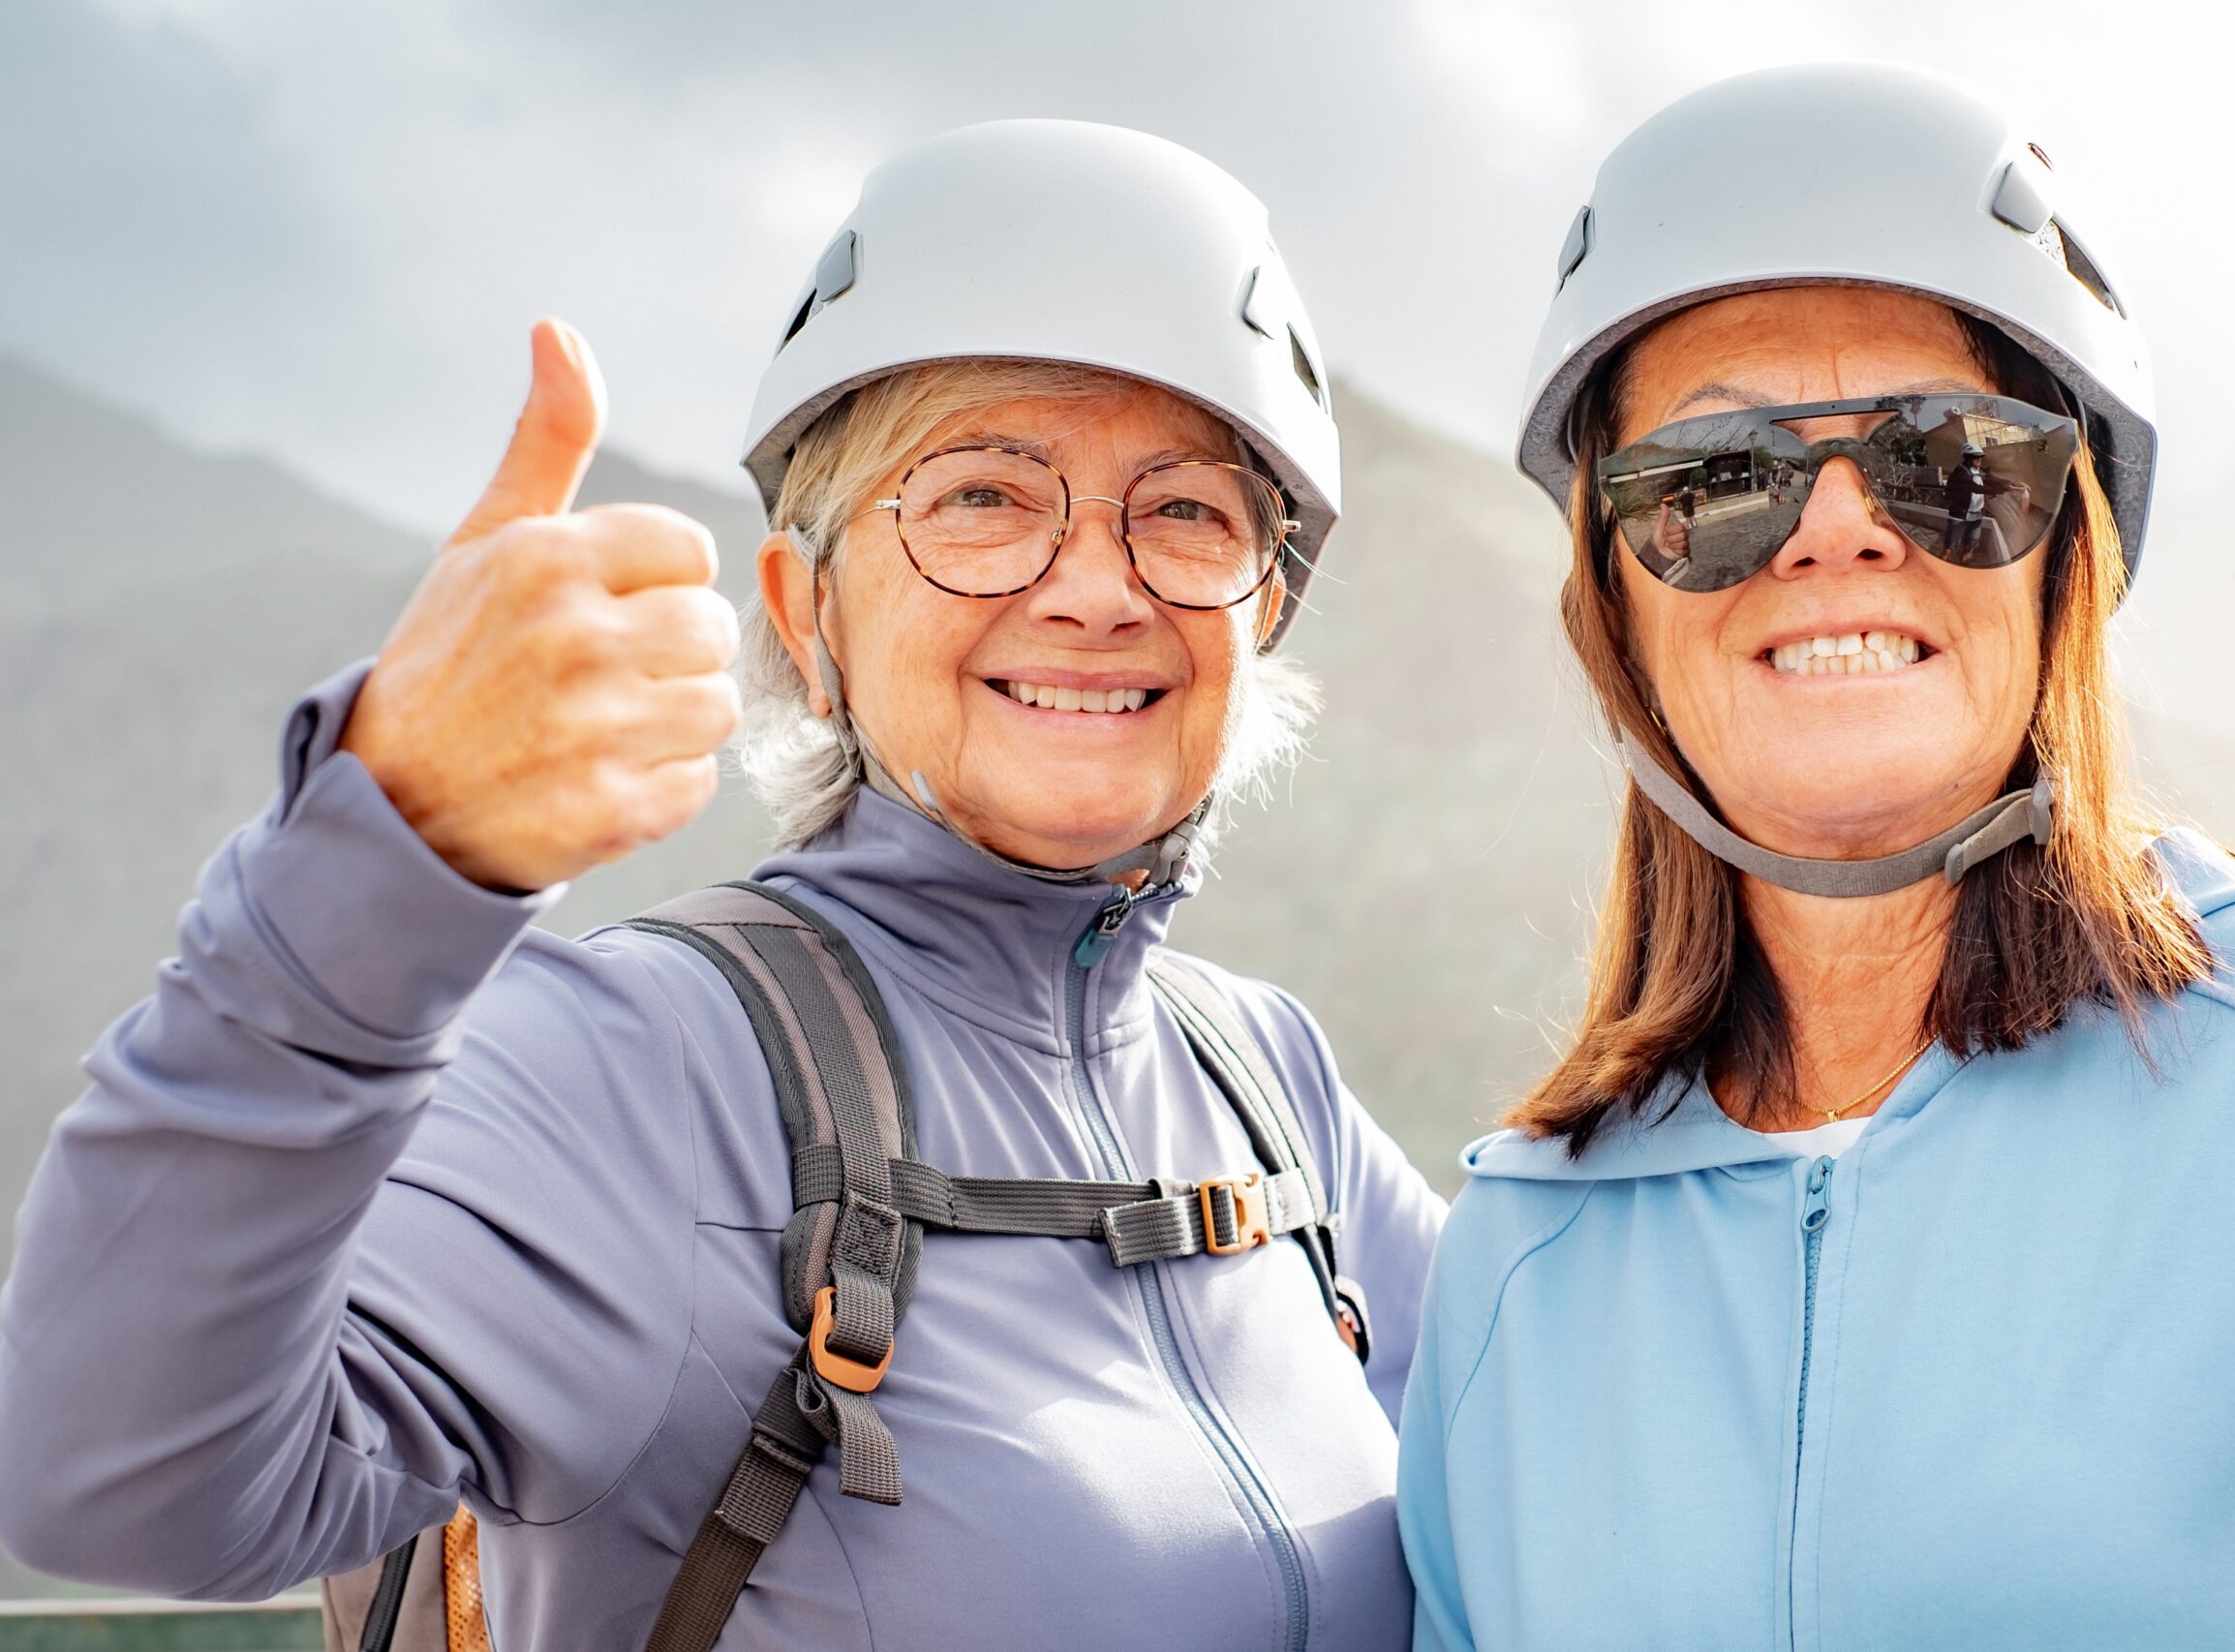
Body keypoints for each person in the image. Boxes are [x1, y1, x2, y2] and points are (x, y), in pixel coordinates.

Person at [0, 120, 1443, 1651]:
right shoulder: (638, 1065)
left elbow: (1560, 1433)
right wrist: (382, 862)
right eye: (981, 496)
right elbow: (111, 1485)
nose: (1097, 585)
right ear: (804, 609)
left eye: (1186, 511)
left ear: (1259, 608)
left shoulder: (1268, 1086)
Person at [1398, 65, 2235, 1650]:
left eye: (1948, 459)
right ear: (1613, 606)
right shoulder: (1517, 1251)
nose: (1839, 530)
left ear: (2065, 557)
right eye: (1717, 479)